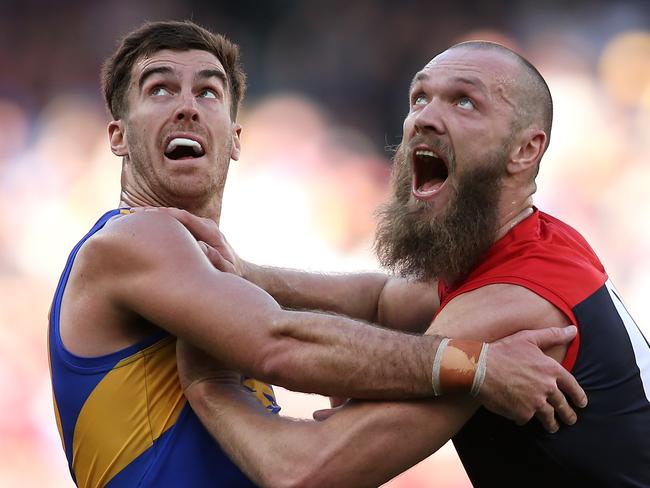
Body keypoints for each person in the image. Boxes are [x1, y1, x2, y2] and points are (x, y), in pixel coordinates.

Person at [48, 22, 585, 488]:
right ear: (118, 136)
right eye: (161, 90)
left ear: (235, 138)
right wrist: (477, 366)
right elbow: (278, 343)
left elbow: (382, 299)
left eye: (209, 92)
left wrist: (254, 276)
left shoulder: (205, 276)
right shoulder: (132, 240)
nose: (188, 105)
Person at [173, 41, 650, 487]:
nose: (425, 118)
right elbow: (382, 300)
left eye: (465, 102)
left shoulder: (512, 306)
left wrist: (209, 387)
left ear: (526, 149)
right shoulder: (532, 242)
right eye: (420, 98)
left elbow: (304, 470)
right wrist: (245, 272)